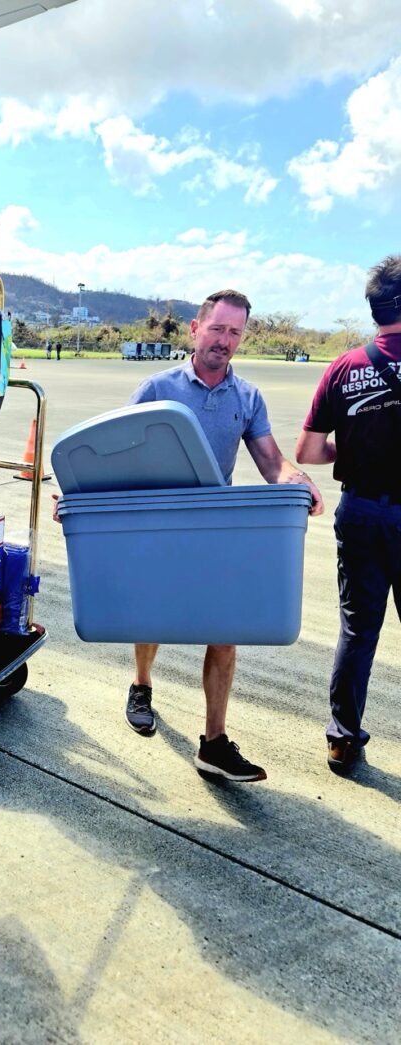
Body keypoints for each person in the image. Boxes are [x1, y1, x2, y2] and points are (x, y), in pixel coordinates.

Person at [123, 289, 323, 782]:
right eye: (218, 329)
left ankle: (212, 743)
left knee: (225, 629)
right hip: (161, 526)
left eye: (235, 332)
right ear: (195, 329)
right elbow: (117, 452)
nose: (225, 341)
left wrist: (298, 479)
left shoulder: (247, 397)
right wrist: (81, 498)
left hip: (215, 529)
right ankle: (142, 684)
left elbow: (272, 461)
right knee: (152, 618)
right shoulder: (157, 388)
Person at [296, 255, 401, 775]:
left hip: (358, 511)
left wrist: (355, 450)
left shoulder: (345, 365)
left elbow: (309, 451)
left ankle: (341, 739)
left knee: (358, 631)